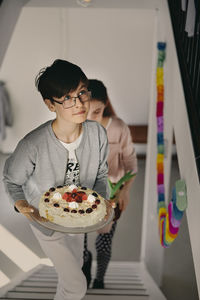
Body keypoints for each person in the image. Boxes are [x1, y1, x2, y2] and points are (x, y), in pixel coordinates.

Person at [3, 60, 110, 300]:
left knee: (68, 276)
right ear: (50, 104)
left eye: (82, 92)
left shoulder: (97, 134)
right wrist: (23, 206)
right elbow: (11, 180)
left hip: (79, 220)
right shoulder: (32, 145)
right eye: (68, 98)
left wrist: (102, 201)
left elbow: (101, 175)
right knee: (76, 286)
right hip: (46, 222)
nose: (80, 104)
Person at [82, 79, 138, 289]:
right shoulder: (75, 129)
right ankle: (84, 270)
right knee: (80, 244)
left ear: (105, 105)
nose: (90, 119)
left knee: (104, 244)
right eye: (85, 112)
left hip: (112, 196)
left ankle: (99, 280)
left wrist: (125, 192)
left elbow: (131, 165)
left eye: (96, 111)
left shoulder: (118, 128)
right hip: (83, 197)